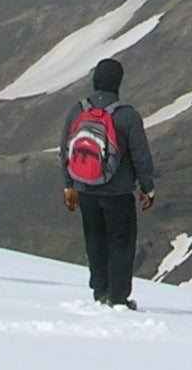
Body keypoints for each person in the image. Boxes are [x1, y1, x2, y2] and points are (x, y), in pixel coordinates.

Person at [59, 58, 158, 308]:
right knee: (120, 242)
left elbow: (65, 149)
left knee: (95, 239)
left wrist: (69, 184)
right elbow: (141, 156)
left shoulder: (77, 111)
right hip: (118, 192)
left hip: (85, 189)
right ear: (118, 83)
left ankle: (100, 292)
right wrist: (148, 188)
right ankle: (118, 297)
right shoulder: (127, 116)